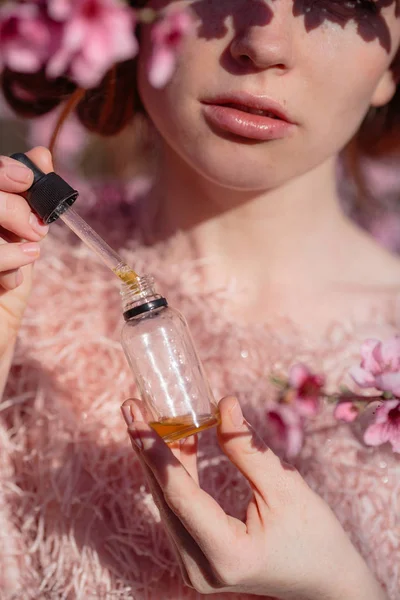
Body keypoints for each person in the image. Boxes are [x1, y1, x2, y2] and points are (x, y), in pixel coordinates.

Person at [0, 2, 399, 598]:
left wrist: (343, 589)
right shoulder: (17, 289)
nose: (263, 43)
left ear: (395, 63)